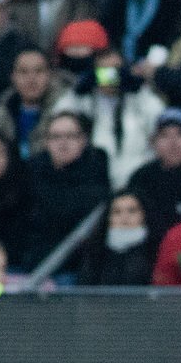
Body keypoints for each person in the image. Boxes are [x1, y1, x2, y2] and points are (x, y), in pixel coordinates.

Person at [53, 43, 167, 189]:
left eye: (115, 71)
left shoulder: (140, 98)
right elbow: (59, 116)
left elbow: (159, 120)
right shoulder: (83, 99)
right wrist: (79, 89)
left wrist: (136, 86)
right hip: (95, 180)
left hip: (137, 179)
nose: (110, 77)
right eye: (104, 71)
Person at [15, 109, 111, 273]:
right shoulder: (29, 175)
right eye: (56, 137)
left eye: (70, 136)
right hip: (33, 267)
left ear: (83, 140)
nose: (63, 143)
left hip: (79, 270)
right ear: (46, 142)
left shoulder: (97, 174)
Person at [126, 106, 181, 245]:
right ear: (153, 143)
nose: (173, 142)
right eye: (164, 135)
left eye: (180, 134)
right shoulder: (141, 178)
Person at [0, 46, 73, 159]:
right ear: (13, 76)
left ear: (50, 74)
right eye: (23, 72)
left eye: (39, 71)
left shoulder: (66, 110)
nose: (31, 79)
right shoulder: (2, 112)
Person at [77, 190, 155, 285]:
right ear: (108, 217)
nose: (124, 217)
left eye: (132, 211)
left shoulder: (155, 250)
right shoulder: (95, 252)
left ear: (143, 214)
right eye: (117, 212)